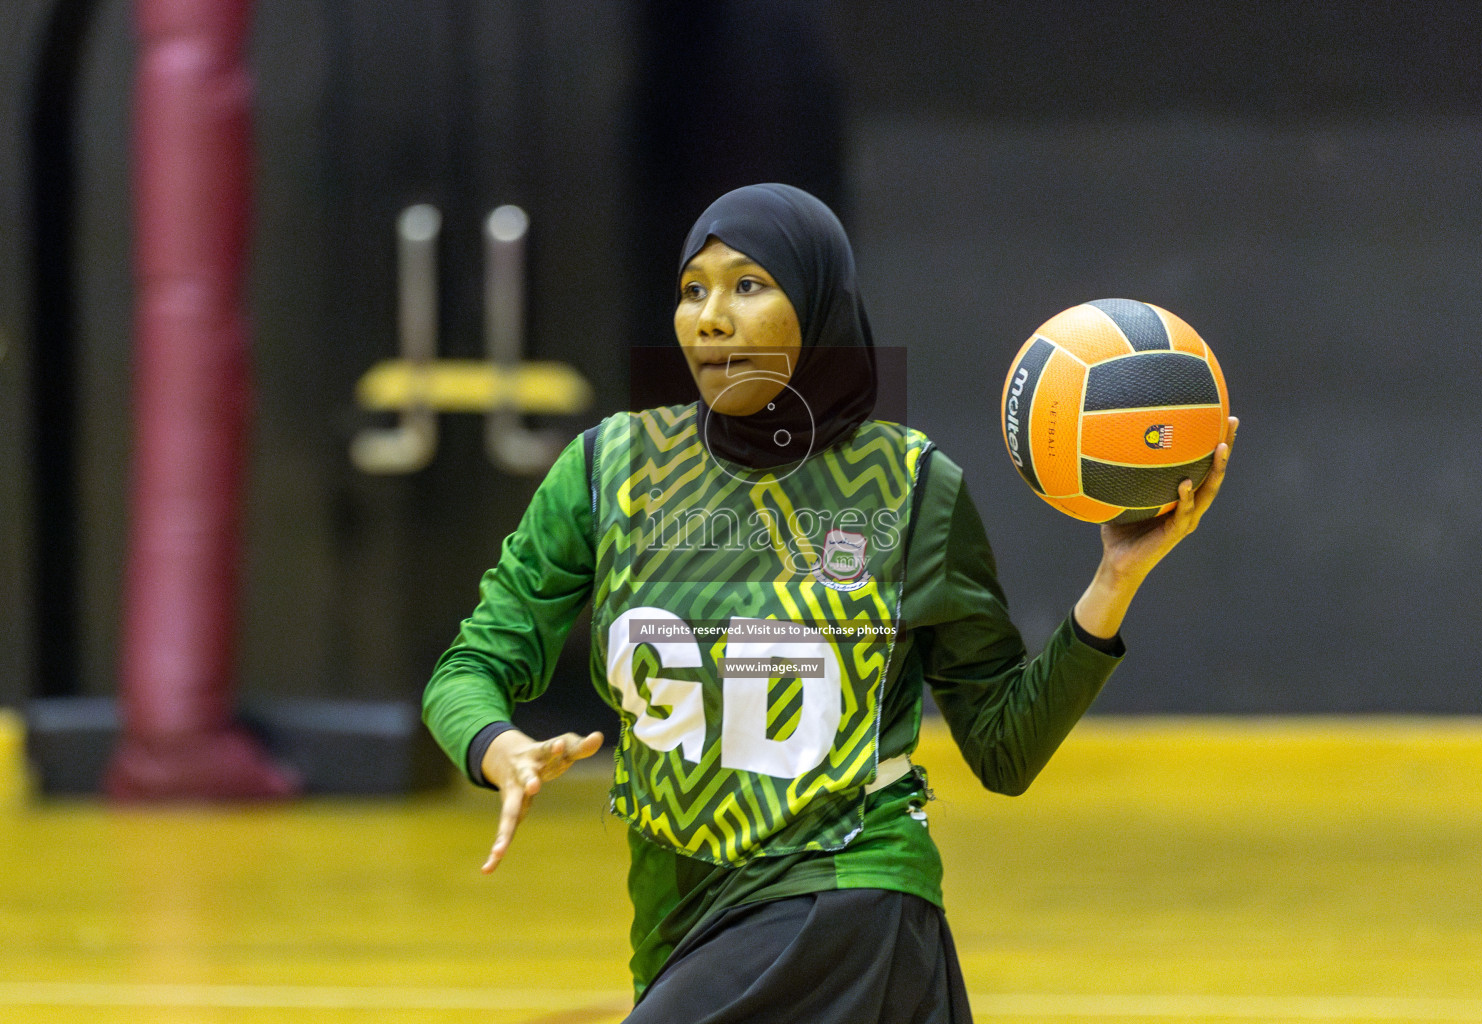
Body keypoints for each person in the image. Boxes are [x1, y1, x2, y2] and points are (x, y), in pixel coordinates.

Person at [422, 183, 1237, 1023]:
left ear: (817, 305)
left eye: (748, 285)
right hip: (686, 918)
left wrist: (1114, 584)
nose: (711, 316)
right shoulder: (608, 471)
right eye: (693, 289)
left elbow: (1003, 747)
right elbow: (469, 666)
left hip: (850, 896)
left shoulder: (912, 488)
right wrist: (496, 745)